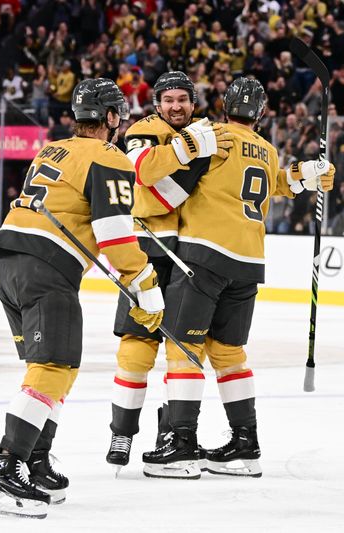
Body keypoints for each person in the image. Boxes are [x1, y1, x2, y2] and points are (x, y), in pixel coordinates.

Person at [0, 79, 166, 519]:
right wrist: (144, 282)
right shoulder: (108, 155)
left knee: (51, 369)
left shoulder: (52, 150)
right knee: (54, 367)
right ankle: (5, 470)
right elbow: (114, 234)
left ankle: (36, 461)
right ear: (113, 118)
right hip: (46, 269)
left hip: (8, 262)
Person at [140, 77, 335, 479]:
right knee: (229, 355)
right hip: (248, 262)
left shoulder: (210, 135)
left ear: (223, 104)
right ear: (261, 113)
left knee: (185, 351)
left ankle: (181, 445)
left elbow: (163, 182)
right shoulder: (267, 149)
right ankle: (246, 446)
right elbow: (278, 183)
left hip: (203, 256)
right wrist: (306, 175)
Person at [105, 71, 232, 471]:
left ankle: (171, 434)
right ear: (157, 103)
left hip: (190, 252)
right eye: (168, 99)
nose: (175, 106)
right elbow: (144, 171)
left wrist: (294, 180)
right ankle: (122, 433)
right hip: (146, 247)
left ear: (193, 102)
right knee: (136, 345)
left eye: (183, 99)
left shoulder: (205, 131)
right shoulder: (144, 129)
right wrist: (194, 148)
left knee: (181, 347)